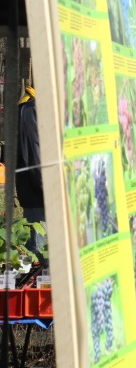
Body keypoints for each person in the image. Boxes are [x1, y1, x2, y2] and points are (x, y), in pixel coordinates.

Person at [16, 86, 46, 259]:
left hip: (43, 188)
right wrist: (47, 188)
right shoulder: (30, 108)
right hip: (37, 193)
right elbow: (34, 156)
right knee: (39, 254)